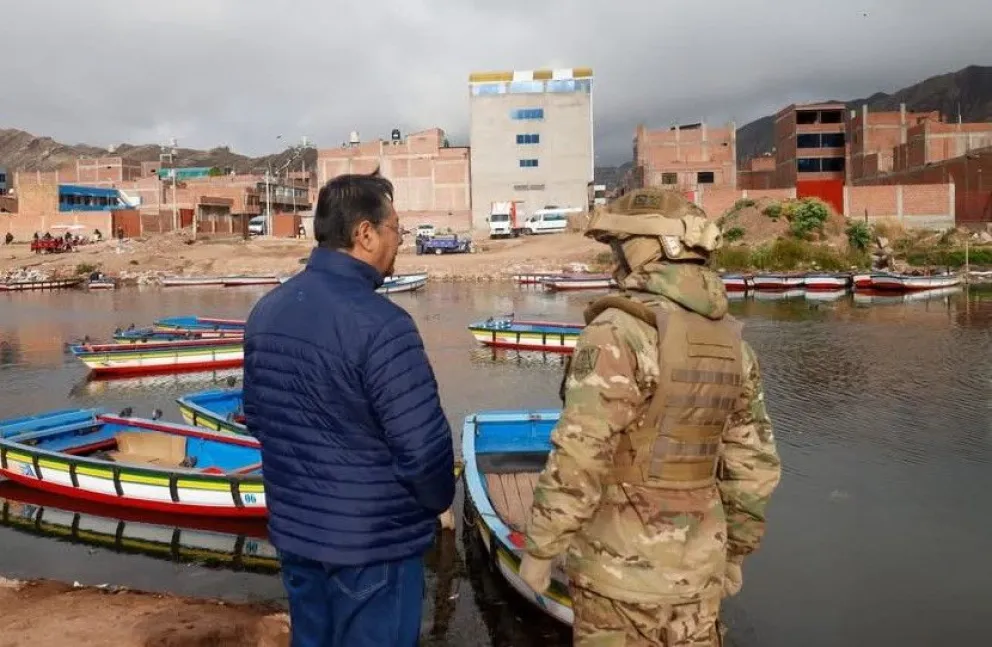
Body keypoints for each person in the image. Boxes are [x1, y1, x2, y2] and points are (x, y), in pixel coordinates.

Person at [518, 188, 782, 646]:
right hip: (700, 571)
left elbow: (581, 452)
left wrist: (543, 548)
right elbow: (754, 465)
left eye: (619, 247)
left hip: (617, 572)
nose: (615, 261)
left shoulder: (617, 333)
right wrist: (736, 550)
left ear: (646, 248)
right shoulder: (734, 344)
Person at [243, 168, 455, 647]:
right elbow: (424, 452)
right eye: (395, 229)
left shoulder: (267, 310)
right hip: (374, 549)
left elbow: (257, 416)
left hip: (298, 539)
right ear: (365, 234)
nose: (400, 241)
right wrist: (436, 503)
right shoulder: (383, 325)